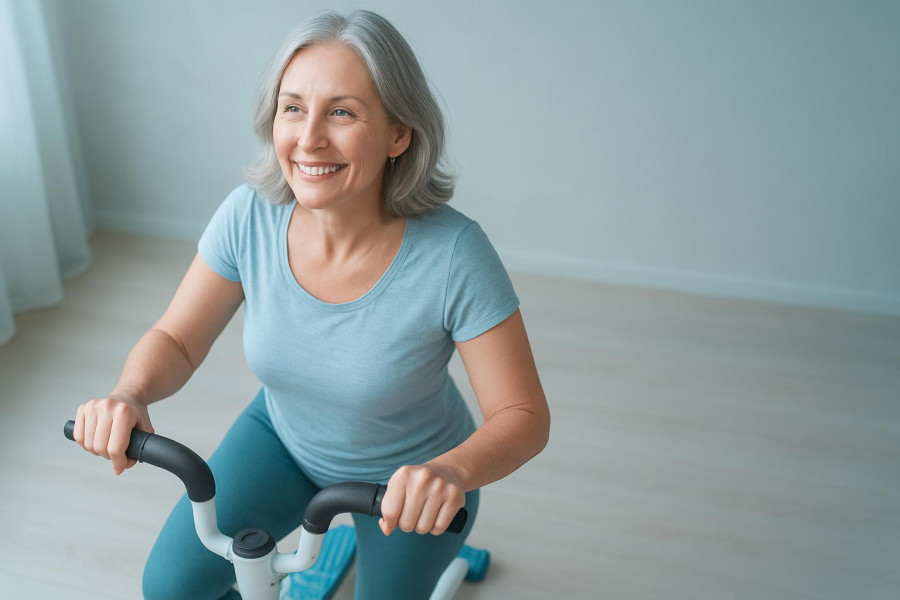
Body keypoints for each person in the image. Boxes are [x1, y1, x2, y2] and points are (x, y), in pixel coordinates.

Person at [71, 9, 549, 600]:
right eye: (293, 107)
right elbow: (177, 339)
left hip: (408, 480)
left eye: (342, 112)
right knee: (170, 587)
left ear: (399, 134)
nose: (309, 138)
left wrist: (450, 473)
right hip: (282, 440)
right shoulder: (249, 215)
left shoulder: (454, 254)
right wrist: (129, 393)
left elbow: (523, 415)